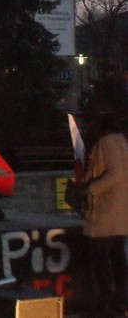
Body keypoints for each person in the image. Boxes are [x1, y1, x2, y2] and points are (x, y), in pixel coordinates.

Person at [80, 113, 127, 316]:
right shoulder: (120, 140)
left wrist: (91, 189)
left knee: (102, 260)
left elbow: (114, 173)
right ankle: (119, 302)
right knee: (118, 258)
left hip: (106, 210)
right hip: (118, 210)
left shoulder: (107, 141)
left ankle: (105, 302)